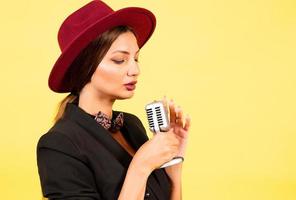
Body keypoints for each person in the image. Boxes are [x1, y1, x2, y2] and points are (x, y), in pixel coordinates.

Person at [36, 1, 191, 199]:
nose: (135, 70)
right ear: (85, 67)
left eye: (136, 58)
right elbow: (140, 170)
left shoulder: (131, 125)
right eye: (119, 60)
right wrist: (140, 167)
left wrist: (174, 165)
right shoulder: (59, 144)